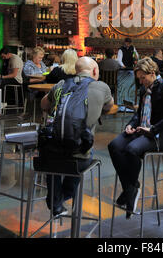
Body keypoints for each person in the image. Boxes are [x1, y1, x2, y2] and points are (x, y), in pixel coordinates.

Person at [41, 57, 113, 216]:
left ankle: (54, 200)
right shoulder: (101, 87)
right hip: (78, 160)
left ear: (76, 71)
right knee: (84, 152)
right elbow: (109, 106)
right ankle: (64, 195)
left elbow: (44, 105)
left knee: (53, 157)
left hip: (49, 158)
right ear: (95, 71)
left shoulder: (60, 84)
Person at [108, 57, 163, 218]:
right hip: (144, 130)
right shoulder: (143, 89)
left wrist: (152, 129)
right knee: (114, 145)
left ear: (152, 73)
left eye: (143, 78)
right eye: (139, 78)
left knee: (131, 149)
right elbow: (139, 113)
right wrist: (131, 124)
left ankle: (130, 190)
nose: (141, 81)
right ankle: (130, 188)